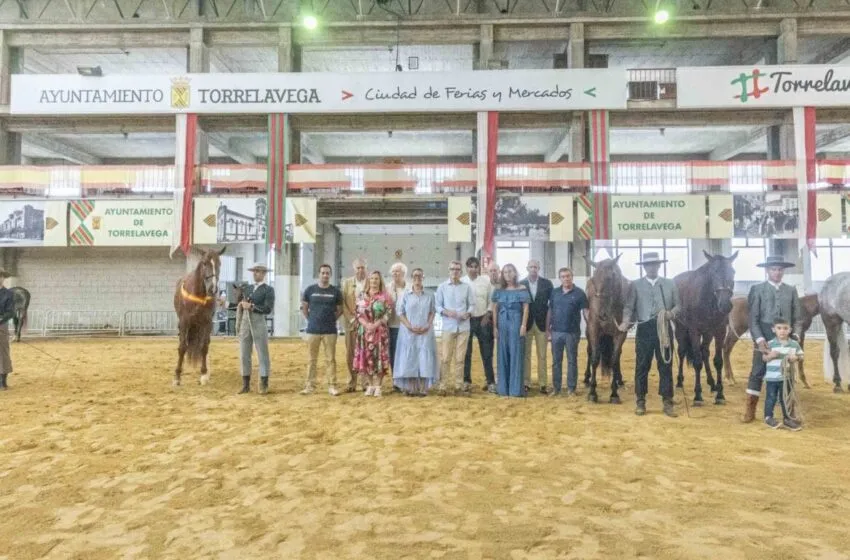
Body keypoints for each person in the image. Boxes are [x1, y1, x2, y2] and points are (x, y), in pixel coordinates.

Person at [742, 255, 802, 423]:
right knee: (757, 371)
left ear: (784, 271)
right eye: (774, 269)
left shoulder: (791, 290)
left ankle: (789, 411)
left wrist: (794, 337)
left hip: (786, 338)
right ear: (767, 270)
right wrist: (760, 339)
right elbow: (752, 319)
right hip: (765, 336)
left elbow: (797, 318)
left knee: (787, 372)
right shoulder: (757, 289)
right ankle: (750, 409)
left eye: (780, 269)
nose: (777, 272)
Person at [619, 252, 680, 417]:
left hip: (663, 328)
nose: (652, 267)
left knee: (665, 365)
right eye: (648, 265)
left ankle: (667, 401)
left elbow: (678, 306)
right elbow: (629, 306)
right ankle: (640, 400)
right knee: (642, 365)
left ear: (659, 266)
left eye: (654, 264)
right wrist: (625, 321)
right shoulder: (636, 285)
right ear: (644, 267)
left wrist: (671, 314)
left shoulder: (669, 284)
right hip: (644, 328)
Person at [393, 268, 438, 396]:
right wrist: (409, 326)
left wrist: (427, 325)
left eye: (420, 275)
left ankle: (423, 388)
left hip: (425, 332)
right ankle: (412, 387)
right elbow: (400, 313)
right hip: (408, 333)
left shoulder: (430, 295)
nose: (417, 278)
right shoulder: (405, 295)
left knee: (424, 359)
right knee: (410, 359)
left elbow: (432, 311)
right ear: (411, 278)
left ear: (423, 277)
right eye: (415, 276)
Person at [300, 264, 343, 396]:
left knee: (330, 359)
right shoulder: (310, 290)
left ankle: (332, 386)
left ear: (330, 275)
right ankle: (309, 386)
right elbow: (305, 309)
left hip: (330, 330)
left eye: (327, 273)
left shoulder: (335, 292)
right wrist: (312, 319)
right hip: (312, 330)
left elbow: (340, 310)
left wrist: (330, 319)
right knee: (312, 359)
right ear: (319, 274)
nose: (325, 275)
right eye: (323, 273)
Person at [435, 261, 474, 396]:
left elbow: (472, 305)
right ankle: (443, 385)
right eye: (452, 269)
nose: (455, 271)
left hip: (464, 327)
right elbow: (438, 306)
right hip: (448, 326)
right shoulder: (442, 287)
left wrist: (468, 313)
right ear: (449, 271)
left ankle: (458, 386)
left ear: (461, 272)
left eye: (457, 269)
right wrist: (446, 312)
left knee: (460, 358)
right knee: (445, 358)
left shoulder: (467, 287)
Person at [546, 267, 587, 396]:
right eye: (563, 276)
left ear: (572, 277)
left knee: (572, 360)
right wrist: (547, 329)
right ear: (560, 278)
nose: (566, 278)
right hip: (556, 332)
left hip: (572, 333)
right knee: (556, 361)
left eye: (568, 276)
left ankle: (571, 388)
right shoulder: (554, 292)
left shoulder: (580, 293)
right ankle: (556, 388)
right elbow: (550, 310)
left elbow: (586, 312)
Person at [492, 264, 530, 397]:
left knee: (516, 354)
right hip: (502, 323)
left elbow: (525, 308)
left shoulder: (522, 288)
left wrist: (523, 325)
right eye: (505, 272)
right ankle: (503, 389)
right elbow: (495, 309)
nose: (507, 274)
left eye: (510, 271)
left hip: (516, 322)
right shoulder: (498, 289)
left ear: (515, 272)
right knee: (502, 354)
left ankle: (515, 390)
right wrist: (495, 327)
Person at [354, 271, 393, 397]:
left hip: (380, 333)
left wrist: (376, 324)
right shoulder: (361, 296)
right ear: (368, 280)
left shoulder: (385, 296)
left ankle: (378, 386)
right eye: (372, 278)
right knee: (367, 357)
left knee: (380, 358)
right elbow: (358, 313)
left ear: (380, 280)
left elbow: (388, 313)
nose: (374, 281)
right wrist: (366, 325)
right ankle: (370, 385)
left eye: (376, 278)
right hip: (364, 332)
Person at [239, 263, 275, 395]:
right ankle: (245, 384)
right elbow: (240, 303)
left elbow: (268, 309)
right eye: (254, 271)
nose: (255, 273)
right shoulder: (247, 288)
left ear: (264, 274)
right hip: (245, 320)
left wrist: (252, 307)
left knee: (262, 352)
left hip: (258, 320)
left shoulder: (268, 290)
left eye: (258, 271)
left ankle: (264, 382)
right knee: (244, 352)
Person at [762, 318, 804, 431]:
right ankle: (768, 417)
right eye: (779, 328)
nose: (782, 331)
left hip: (786, 378)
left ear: (790, 330)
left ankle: (787, 418)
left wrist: (795, 358)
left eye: (785, 328)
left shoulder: (794, 344)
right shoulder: (770, 344)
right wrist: (770, 356)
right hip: (772, 377)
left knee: (786, 398)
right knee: (771, 397)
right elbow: (764, 358)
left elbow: (801, 356)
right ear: (773, 329)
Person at [462, 257, 496, 393]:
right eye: (470, 266)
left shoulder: (486, 281)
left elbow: (491, 300)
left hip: (483, 320)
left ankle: (490, 382)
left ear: (479, 268)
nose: (473, 269)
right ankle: (466, 381)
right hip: (467, 321)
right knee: (466, 353)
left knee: (487, 353)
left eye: (476, 266)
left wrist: (487, 315)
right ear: (467, 268)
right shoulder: (462, 282)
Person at [520, 260, 553, 394]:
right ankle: (526, 382)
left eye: (536, 267)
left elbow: (551, 306)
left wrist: (549, 325)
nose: (533, 269)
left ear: (539, 268)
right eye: (531, 267)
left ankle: (543, 383)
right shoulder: (521, 284)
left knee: (542, 355)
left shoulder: (547, 284)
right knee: (526, 355)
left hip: (541, 324)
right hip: (526, 324)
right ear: (527, 268)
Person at [342, 258, 368, 392]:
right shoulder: (346, 283)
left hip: (368, 326)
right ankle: (352, 382)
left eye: (363, 267)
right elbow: (343, 305)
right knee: (350, 354)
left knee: (366, 353)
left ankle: (365, 383)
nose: (360, 270)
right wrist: (353, 319)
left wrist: (366, 321)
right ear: (354, 268)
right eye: (358, 268)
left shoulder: (371, 283)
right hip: (351, 325)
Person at [388, 262, 408, 392]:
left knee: (406, 354)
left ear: (404, 274)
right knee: (393, 354)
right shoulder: (386, 287)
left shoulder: (410, 288)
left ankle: (406, 379)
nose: (395, 274)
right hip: (391, 325)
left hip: (406, 327)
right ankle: (396, 380)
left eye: (398, 271)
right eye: (394, 271)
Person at [0, 269, 15, 390]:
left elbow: (11, 312)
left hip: (1, 325)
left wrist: (0, 318)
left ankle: (2, 380)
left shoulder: (8, 294)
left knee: (3, 352)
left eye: (1, 276)